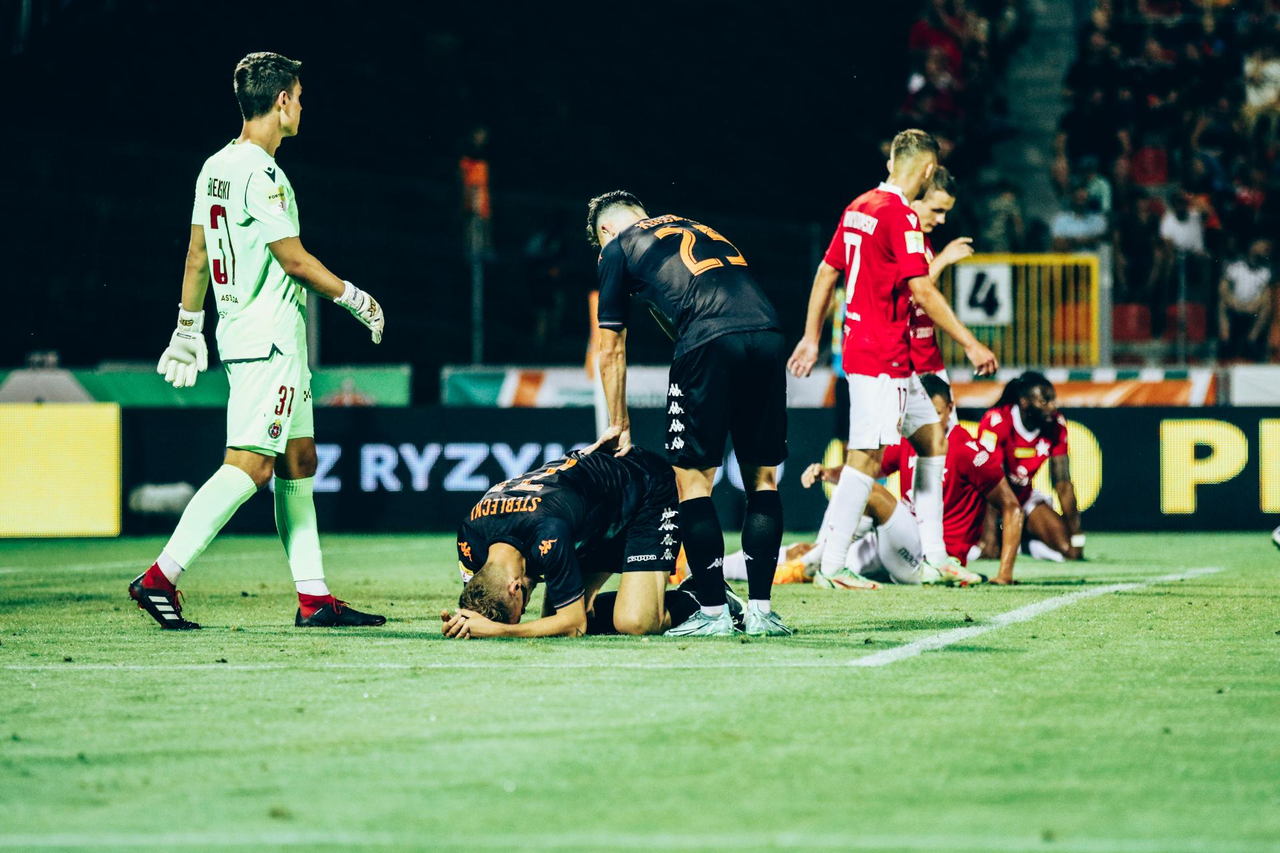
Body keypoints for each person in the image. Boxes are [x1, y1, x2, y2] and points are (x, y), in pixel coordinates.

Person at [131, 52, 386, 630]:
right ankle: (161, 576)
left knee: (299, 459)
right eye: (300, 97)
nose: (302, 107)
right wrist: (355, 298)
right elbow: (293, 259)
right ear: (282, 101)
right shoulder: (264, 176)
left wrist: (188, 326)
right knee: (250, 466)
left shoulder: (216, 166)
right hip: (269, 340)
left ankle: (314, 598)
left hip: (252, 335)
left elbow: (197, 253)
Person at [787, 128, 997, 591]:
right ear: (928, 169)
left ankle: (936, 558)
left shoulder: (859, 206)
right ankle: (833, 565)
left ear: (891, 163)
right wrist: (970, 343)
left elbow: (826, 272)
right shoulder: (900, 215)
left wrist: (810, 337)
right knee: (865, 457)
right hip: (879, 358)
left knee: (932, 438)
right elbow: (922, 289)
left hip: (882, 355)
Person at [585, 192, 791, 637]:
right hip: (769, 333)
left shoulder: (617, 247)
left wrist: (619, 423)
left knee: (693, 484)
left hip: (709, 340)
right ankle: (761, 612)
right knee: (763, 479)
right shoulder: (690, 224)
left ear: (606, 231)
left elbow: (611, 348)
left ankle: (714, 614)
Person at [441, 447, 708, 639]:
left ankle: (701, 597)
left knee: (635, 622)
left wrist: (501, 631)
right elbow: (480, 596)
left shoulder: (547, 532)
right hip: (590, 515)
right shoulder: (469, 539)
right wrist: (464, 622)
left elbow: (574, 625)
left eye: (521, 609)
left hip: (646, 489)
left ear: (514, 587)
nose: (525, 609)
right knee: (552, 621)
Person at [784, 374, 1023, 586]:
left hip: (929, 560)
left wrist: (1004, 574)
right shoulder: (910, 439)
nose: (928, 423)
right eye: (923, 415)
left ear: (951, 409)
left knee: (869, 493)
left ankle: (821, 567)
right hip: (900, 546)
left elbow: (1011, 507)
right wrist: (828, 473)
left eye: (936, 414)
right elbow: (866, 470)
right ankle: (782, 564)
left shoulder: (966, 450)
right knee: (807, 549)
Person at [976, 372, 1084, 563]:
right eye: (1045, 401)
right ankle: (998, 540)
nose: (1052, 406)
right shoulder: (996, 420)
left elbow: (1063, 484)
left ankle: (1025, 544)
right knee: (988, 551)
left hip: (1023, 498)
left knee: (1067, 549)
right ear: (1024, 403)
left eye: (1053, 400)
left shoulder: (1057, 424)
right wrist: (989, 536)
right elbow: (990, 482)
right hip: (986, 499)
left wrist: (1076, 538)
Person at [1218, 239, 1273, 362]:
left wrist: (1254, 304)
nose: (1265, 249)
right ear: (1252, 246)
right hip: (1234, 305)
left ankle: (1251, 340)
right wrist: (1233, 302)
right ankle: (1225, 341)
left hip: (1252, 308)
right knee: (1221, 304)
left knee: (1266, 307)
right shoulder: (1235, 265)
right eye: (1262, 245)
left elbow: (1265, 295)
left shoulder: (1265, 271)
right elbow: (1223, 288)